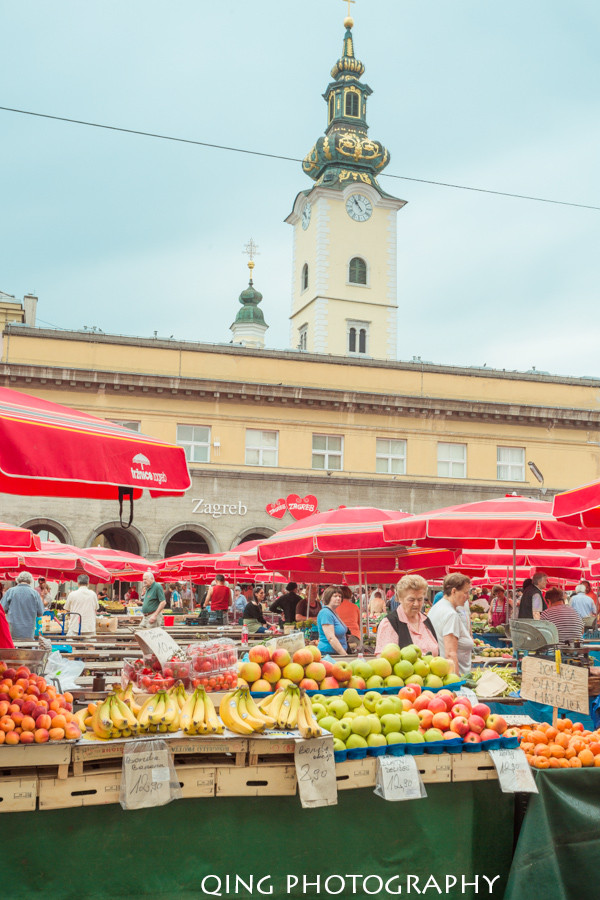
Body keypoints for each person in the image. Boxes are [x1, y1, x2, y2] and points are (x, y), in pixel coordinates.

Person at [375, 574, 439, 656]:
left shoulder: (426, 620)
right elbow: (383, 661)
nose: (416, 604)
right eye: (411, 599)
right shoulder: (390, 623)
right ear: (400, 598)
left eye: (420, 599)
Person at [428, 573, 475, 676]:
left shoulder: (437, 608)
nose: (468, 597)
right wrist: (457, 683)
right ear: (454, 591)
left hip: (440, 672)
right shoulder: (451, 615)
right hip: (452, 676)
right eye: (466, 592)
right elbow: (450, 654)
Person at [1, 572, 44, 640]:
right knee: (27, 648)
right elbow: (40, 612)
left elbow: (2, 609)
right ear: (30, 581)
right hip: (29, 630)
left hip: (12, 629)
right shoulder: (35, 593)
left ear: (18, 580)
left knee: (12, 648)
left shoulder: (10, 591)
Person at [317, 586, 348, 656]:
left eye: (340, 596)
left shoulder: (333, 612)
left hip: (335, 653)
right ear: (328, 597)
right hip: (328, 654)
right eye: (335, 596)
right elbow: (331, 638)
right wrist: (344, 655)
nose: (338, 598)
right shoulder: (325, 613)